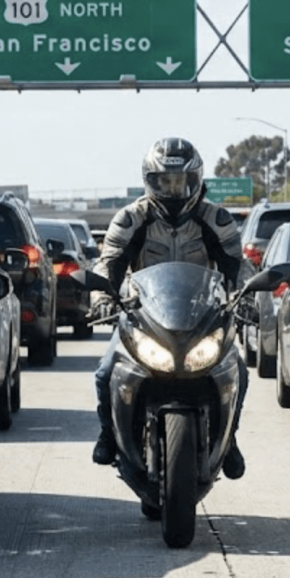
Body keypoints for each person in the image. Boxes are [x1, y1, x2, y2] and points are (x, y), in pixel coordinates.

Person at [89, 137, 249, 479]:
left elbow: (237, 265)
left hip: (202, 317)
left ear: (196, 180)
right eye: (166, 182)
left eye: (181, 182)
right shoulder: (130, 219)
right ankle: (108, 434)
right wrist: (102, 296)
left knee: (238, 371)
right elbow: (109, 264)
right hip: (144, 315)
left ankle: (229, 439)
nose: (174, 190)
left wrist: (247, 297)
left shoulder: (216, 219)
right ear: (151, 181)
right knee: (105, 372)